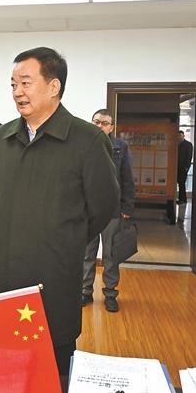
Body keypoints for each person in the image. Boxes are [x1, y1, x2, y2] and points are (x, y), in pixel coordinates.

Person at [0, 47, 119, 381]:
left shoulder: (88, 140)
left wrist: (64, 237)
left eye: (25, 82)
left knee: (51, 371)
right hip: (2, 269)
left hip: (53, 272)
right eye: (13, 84)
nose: (17, 92)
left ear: (54, 86)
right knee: (1, 368)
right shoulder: (0, 139)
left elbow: (104, 205)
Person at [82, 110, 135, 312]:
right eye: (96, 122)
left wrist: (127, 207)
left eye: (104, 123)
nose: (99, 126)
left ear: (111, 127)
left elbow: (127, 178)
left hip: (112, 210)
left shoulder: (120, 147)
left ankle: (110, 293)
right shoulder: (82, 145)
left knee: (111, 255)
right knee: (87, 254)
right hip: (88, 210)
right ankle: (85, 291)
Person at [176, 130, 193, 222]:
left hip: (183, 167)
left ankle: (183, 199)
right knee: (179, 183)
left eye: (180, 136)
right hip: (176, 167)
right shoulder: (176, 144)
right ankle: (181, 199)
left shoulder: (188, 145)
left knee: (182, 183)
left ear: (183, 136)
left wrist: (187, 167)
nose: (179, 137)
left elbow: (189, 157)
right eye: (178, 136)